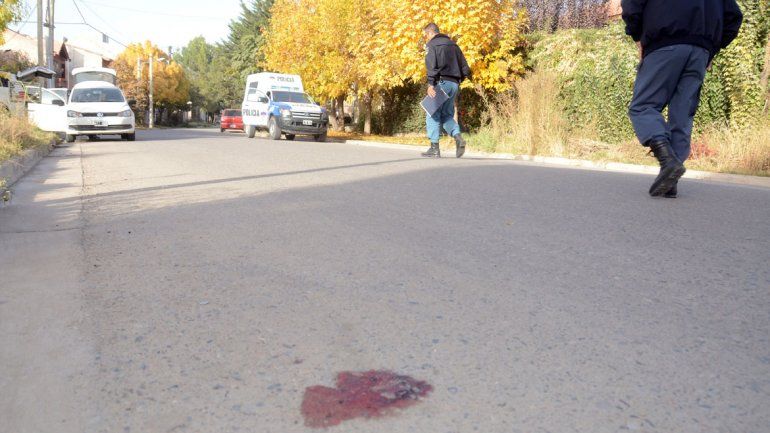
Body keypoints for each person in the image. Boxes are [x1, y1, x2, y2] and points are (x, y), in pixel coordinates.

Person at [622, 0, 742, 197]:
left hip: (664, 42)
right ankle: (669, 182)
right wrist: (713, 48)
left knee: (643, 106)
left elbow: (631, 5)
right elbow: (734, 17)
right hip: (700, 51)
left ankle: (667, 161)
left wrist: (637, 36)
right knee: (682, 114)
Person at [421, 23, 472, 158]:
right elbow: (465, 68)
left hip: (440, 83)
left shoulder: (431, 45)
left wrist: (431, 84)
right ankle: (458, 137)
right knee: (446, 115)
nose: (426, 38)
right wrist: (460, 80)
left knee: (431, 113)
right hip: (454, 84)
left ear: (430, 33)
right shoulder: (454, 45)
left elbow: (431, 65)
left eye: (426, 35)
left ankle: (434, 148)